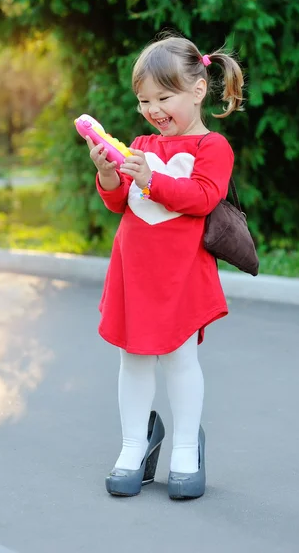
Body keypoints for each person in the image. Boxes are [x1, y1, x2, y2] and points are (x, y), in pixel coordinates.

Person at [86, 34, 243, 500]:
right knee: (132, 356)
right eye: (143, 100)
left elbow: (202, 198)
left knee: (179, 358)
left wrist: (153, 179)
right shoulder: (139, 143)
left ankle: (186, 448)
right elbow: (122, 204)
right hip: (134, 270)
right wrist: (111, 174)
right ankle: (135, 444)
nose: (153, 109)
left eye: (163, 97)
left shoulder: (213, 147)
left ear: (197, 91)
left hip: (181, 275)